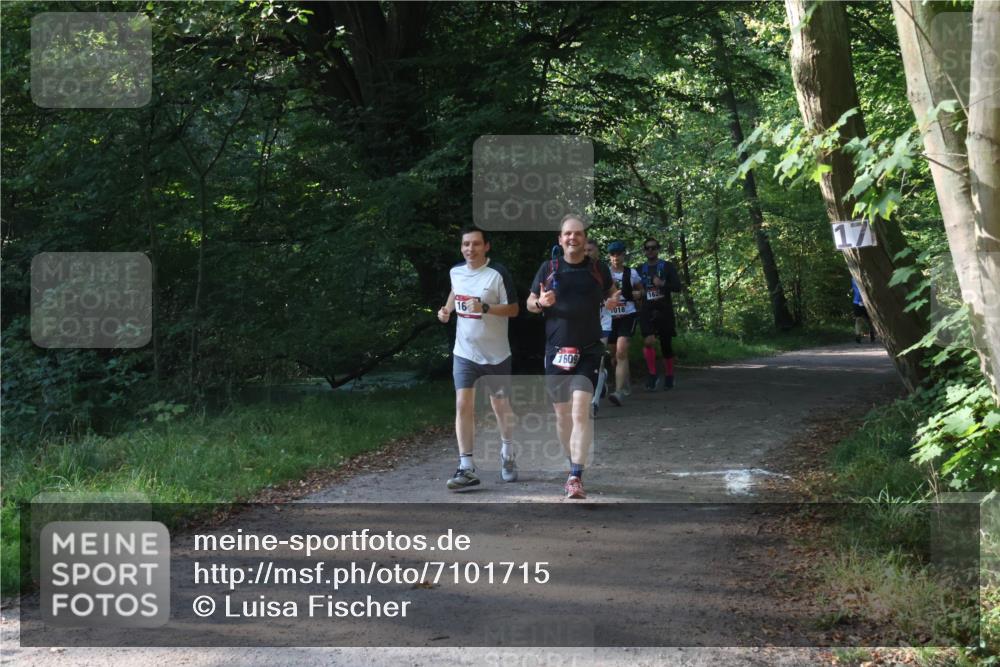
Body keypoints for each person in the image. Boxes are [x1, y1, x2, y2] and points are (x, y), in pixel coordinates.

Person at [527, 215, 621, 499]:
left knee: (581, 412)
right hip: (556, 353)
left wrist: (613, 301)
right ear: (560, 239)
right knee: (563, 417)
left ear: (584, 239)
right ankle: (572, 463)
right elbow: (530, 303)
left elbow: (612, 293)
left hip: (589, 349)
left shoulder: (597, 268)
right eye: (567, 234)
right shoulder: (548, 268)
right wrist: (540, 303)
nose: (572, 238)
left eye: (578, 234)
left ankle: (575, 475)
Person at [438, 226, 520, 490]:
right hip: (464, 353)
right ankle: (466, 466)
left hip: (496, 355)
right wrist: (447, 310)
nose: (469, 249)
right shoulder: (456, 271)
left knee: (500, 407)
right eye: (465, 245)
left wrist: (484, 307)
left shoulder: (497, 274)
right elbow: (455, 291)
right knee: (463, 405)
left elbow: (514, 310)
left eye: (475, 244)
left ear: (486, 246)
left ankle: (508, 453)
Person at [637, 237, 682, 391]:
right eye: (647, 248)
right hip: (646, 310)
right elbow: (632, 289)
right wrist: (637, 293)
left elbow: (678, 287)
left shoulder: (667, 267)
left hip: (664, 310)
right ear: (644, 251)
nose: (650, 250)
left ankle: (669, 375)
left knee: (666, 345)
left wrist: (662, 284)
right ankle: (652, 374)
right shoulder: (638, 269)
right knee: (648, 341)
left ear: (658, 249)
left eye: (653, 247)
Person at [605, 240, 643, 406]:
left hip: (628, 315)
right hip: (609, 318)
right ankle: (623, 382)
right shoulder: (604, 273)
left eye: (619, 254)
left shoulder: (632, 273)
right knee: (614, 356)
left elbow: (642, 290)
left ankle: (619, 392)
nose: (616, 258)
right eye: (613, 255)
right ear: (609, 256)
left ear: (623, 255)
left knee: (621, 352)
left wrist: (638, 294)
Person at [585, 239, 612, 418]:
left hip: (603, 318)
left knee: (599, 360)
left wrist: (612, 299)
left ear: (597, 252)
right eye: (584, 250)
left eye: (591, 250)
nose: (587, 253)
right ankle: (600, 381)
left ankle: (594, 402)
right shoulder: (575, 267)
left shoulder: (602, 268)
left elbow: (612, 291)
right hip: (584, 321)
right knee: (587, 362)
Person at [851, 278, 876, 344]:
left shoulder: (862, 277)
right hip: (857, 302)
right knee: (859, 319)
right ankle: (858, 336)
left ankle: (871, 333)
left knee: (869, 320)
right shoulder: (854, 278)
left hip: (866, 302)